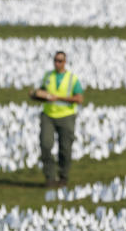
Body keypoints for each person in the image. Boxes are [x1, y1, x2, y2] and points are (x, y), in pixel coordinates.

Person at [28, 51, 84, 188]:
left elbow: (79, 99)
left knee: (65, 149)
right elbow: (42, 92)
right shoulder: (48, 76)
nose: (57, 63)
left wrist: (58, 98)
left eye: (60, 61)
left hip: (66, 117)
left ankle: (63, 177)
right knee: (45, 145)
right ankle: (50, 178)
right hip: (48, 116)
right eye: (55, 60)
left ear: (65, 62)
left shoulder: (72, 79)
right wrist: (36, 94)